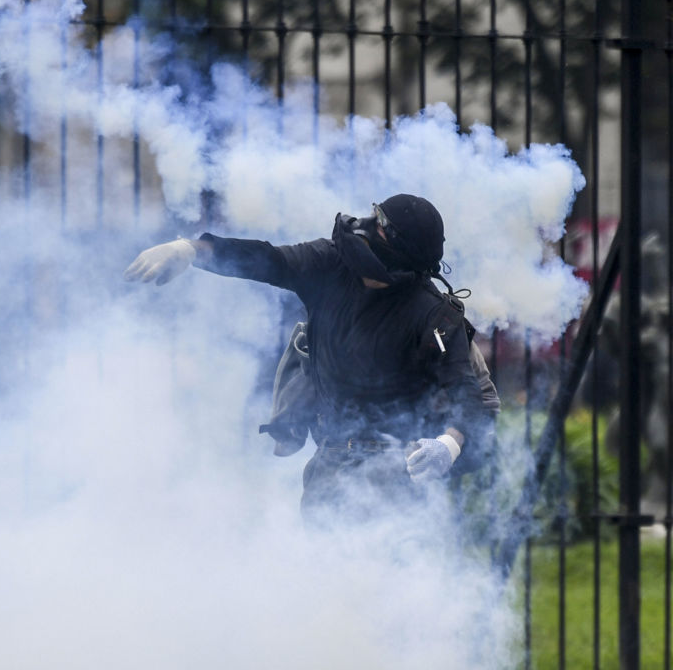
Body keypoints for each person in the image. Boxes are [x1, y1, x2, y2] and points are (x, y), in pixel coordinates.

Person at [124, 194, 499, 529]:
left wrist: (447, 446)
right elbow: (266, 260)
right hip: (329, 465)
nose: (366, 227)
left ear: (401, 251)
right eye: (374, 215)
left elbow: (467, 398)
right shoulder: (330, 264)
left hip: (395, 474)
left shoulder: (434, 317)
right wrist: (191, 250)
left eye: (381, 226)